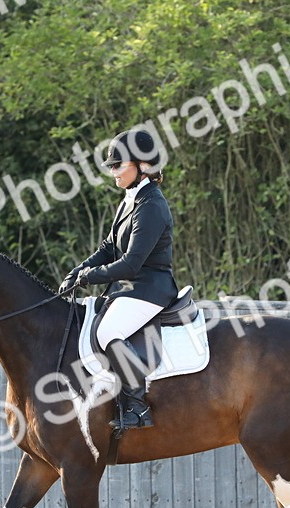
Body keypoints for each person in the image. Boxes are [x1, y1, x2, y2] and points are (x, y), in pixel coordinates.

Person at [59, 128, 179, 432]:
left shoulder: (151, 205)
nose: (112, 171)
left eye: (118, 165)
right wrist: (77, 271)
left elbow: (130, 264)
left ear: (142, 166)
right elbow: (108, 249)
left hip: (150, 289)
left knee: (108, 330)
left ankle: (137, 405)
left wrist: (87, 277)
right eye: (111, 166)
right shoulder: (130, 200)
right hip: (129, 289)